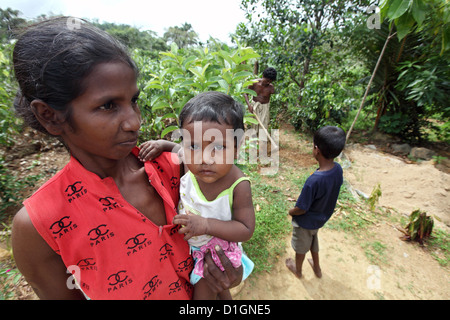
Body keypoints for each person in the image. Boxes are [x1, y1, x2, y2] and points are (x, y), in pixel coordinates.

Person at [10, 17, 242, 300]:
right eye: (108, 106)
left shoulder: (177, 168)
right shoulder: (40, 225)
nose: (135, 121)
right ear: (50, 115)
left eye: (133, 100)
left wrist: (226, 276)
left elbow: (220, 240)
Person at [139, 92, 255, 300]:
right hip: (193, 245)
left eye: (218, 147)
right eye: (194, 145)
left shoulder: (238, 185)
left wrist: (205, 225)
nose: (205, 158)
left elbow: (246, 229)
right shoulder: (189, 160)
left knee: (203, 294)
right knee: (219, 289)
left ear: (237, 148)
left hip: (216, 251)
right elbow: (178, 150)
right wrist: (162, 144)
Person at [285, 126, 346, 279]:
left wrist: (291, 211)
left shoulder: (314, 181)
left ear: (316, 150)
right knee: (313, 240)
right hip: (320, 219)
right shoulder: (338, 169)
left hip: (305, 222)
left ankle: (298, 271)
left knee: (301, 248)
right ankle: (317, 268)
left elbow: (301, 208)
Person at [243, 67, 277, 133]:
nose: (268, 83)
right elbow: (245, 94)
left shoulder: (271, 88)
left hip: (265, 108)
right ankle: (252, 142)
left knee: (263, 127)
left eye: (270, 81)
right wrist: (249, 105)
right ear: (263, 76)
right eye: (267, 80)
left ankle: (262, 142)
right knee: (253, 127)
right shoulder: (253, 83)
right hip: (254, 106)